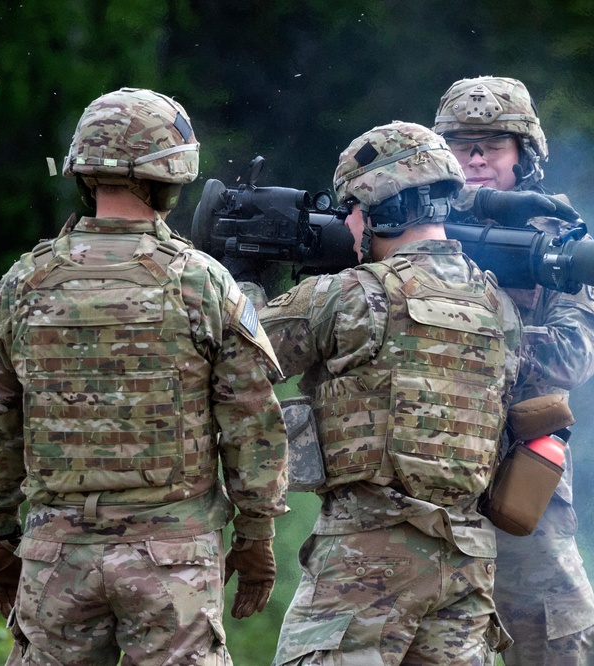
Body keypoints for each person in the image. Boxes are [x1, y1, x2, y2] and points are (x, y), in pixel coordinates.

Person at [0, 87, 289, 666]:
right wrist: (256, 534)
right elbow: (251, 423)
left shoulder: (22, 285)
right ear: (173, 174)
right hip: (173, 562)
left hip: (56, 556)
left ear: (84, 170)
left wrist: (1, 536)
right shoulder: (201, 283)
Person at [247, 121, 529, 665]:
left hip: (368, 559)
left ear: (380, 211)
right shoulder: (497, 306)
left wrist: (245, 276)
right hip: (467, 563)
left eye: (351, 209)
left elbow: (244, 351)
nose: (346, 224)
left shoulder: (353, 295)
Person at [434, 76, 594, 665]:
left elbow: (572, 354)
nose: (478, 157)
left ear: (526, 155)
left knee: (558, 639)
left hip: (519, 477)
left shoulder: (561, 245)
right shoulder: (406, 234)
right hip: (420, 474)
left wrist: (459, 331)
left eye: (494, 143)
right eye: (464, 144)